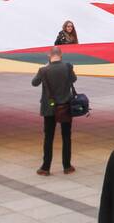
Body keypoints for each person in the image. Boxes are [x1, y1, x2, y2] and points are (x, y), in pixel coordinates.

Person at [32, 46, 77, 175]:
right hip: (65, 106)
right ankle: (67, 166)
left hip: (49, 107)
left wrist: (45, 67)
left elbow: (34, 83)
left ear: (49, 56)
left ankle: (45, 167)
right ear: (61, 55)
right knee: (66, 136)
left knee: (48, 137)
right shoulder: (68, 67)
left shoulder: (44, 70)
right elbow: (74, 80)